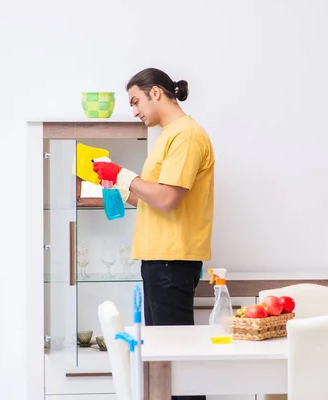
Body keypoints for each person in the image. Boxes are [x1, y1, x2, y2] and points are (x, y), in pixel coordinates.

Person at [93, 67, 214, 400]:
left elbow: (167, 198)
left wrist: (123, 173)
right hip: (161, 260)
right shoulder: (168, 136)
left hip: (170, 261)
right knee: (166, 362)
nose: (134, 111)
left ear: (156, 92)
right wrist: (115, 183)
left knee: (176, 365)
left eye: (136, 101)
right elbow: (149, 198)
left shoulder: (185, 135)